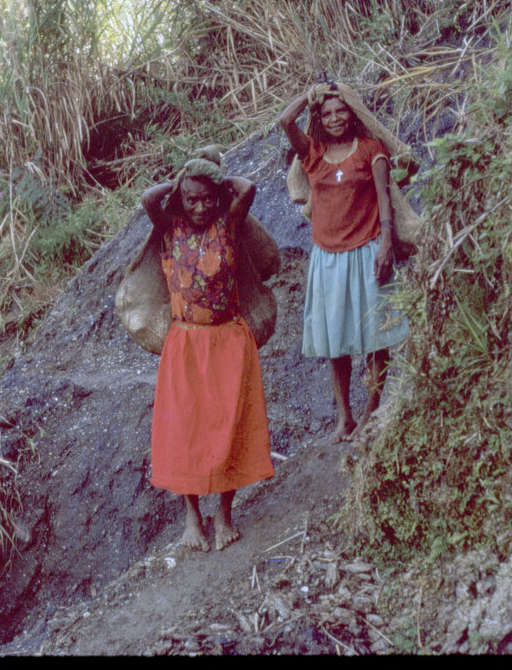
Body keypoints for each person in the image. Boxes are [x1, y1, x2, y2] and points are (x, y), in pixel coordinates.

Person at [141, 147, 275, 551]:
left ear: (218, 198)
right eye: (191, 199)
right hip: (185, 344)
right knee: (187, 432)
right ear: (180, 200)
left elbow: (247, 188)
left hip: (228, 343)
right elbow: (149, 199)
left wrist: (213, 177)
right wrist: (184, 176)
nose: (199, 207)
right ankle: (192, 519)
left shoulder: (228, 225)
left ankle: (224, 514)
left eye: (207, 198)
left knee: (228, 428)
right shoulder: (169, 229)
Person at [279, 81, 412, 444]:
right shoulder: (313, 153)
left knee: (374, 336)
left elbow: (385, 199)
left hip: (368, 250)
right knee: (334, 341)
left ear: (353, 113)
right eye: (327, 113)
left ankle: (372, 409)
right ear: (319, 119)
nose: (335, 118)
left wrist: (386, 243)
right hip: (327, 258)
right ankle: (345, 419)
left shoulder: (371, 150)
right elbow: (285, 121)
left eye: (342, 110)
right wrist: (310, 94)